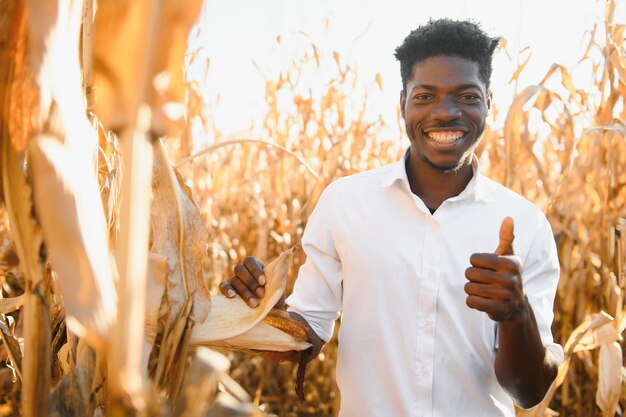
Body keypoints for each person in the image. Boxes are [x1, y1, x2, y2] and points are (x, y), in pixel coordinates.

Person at [219, 18, 562, 417]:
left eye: (467, 97)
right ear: (402, 103)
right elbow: (306, 333)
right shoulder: (345, 203)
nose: (446, 113)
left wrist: (515, 314)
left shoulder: (527, 224)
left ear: (490, 102)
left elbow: (529, 391)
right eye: (425, 96)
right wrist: (262, 314)